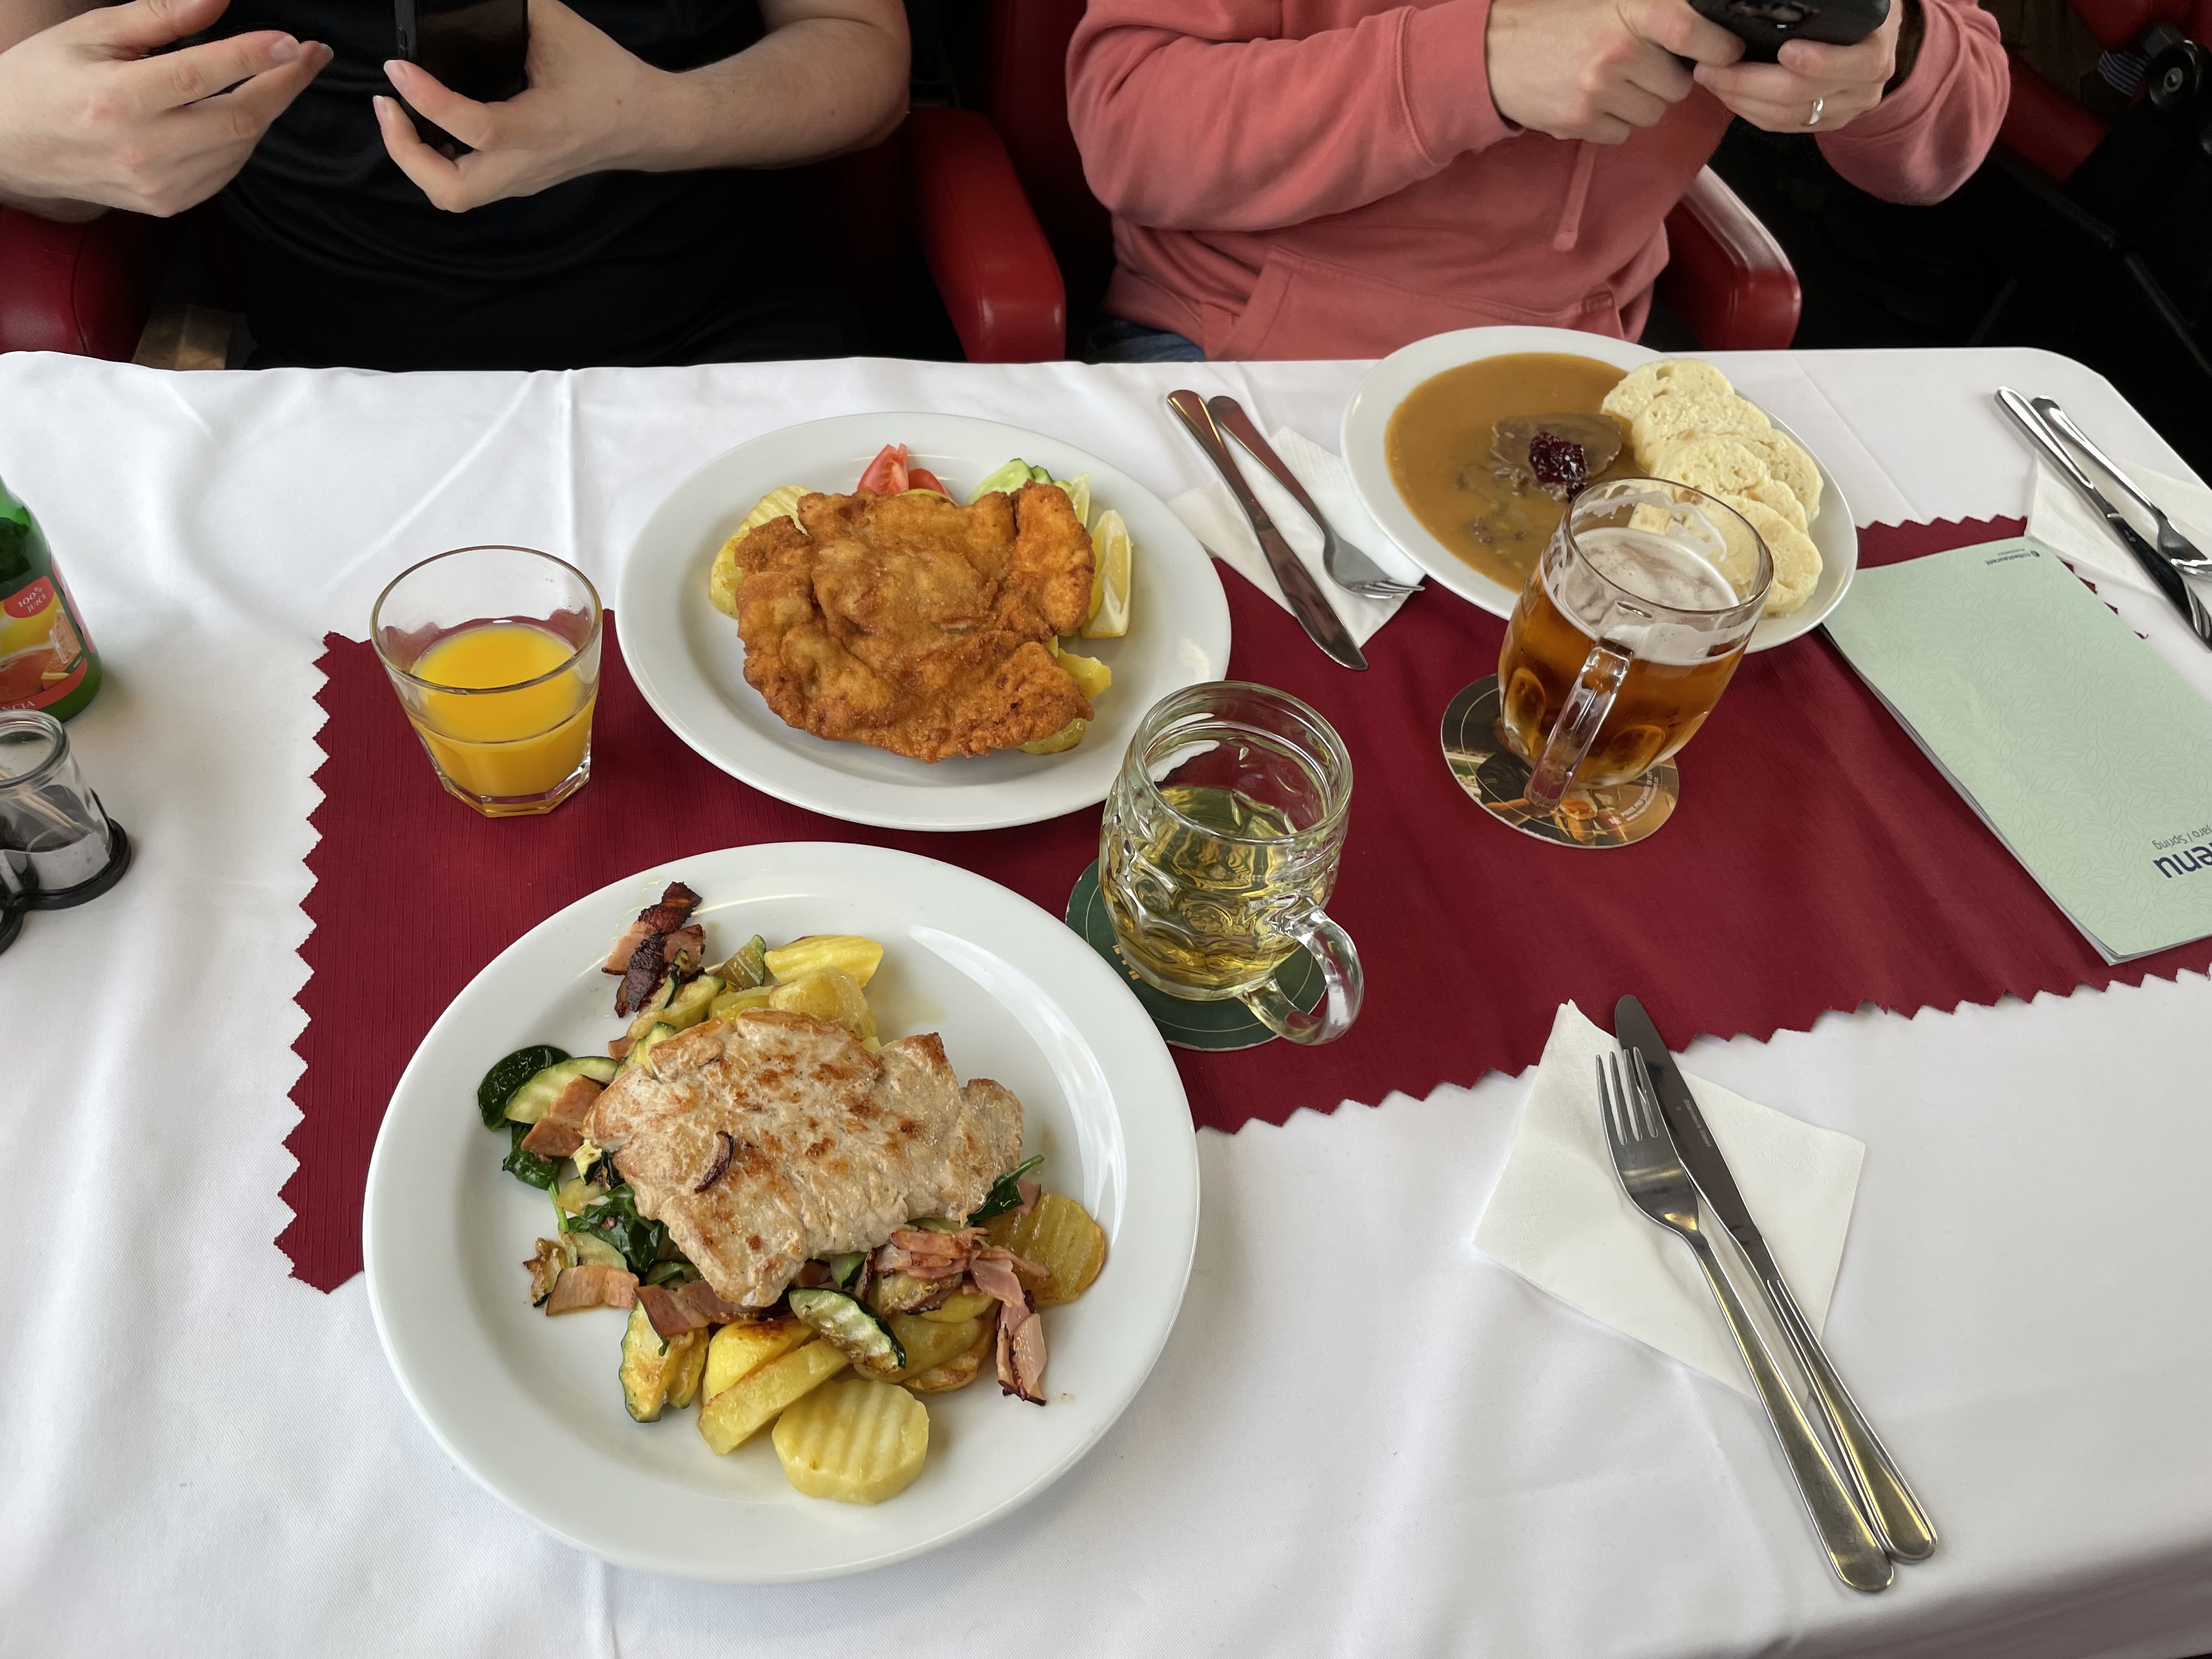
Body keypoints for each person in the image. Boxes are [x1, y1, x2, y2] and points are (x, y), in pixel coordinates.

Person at [1066, 0, 2008, 362]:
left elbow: (1946, 148)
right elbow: (1129, 126)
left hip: (1574, 368)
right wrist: (1470, 65)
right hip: (1248, 356)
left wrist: (1901, 46)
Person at [0, 0, 909, 369]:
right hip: (334, 379)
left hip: (724, 340)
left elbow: (862, 53)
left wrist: (652, 118)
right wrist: (37, 142)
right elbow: (27, 103)